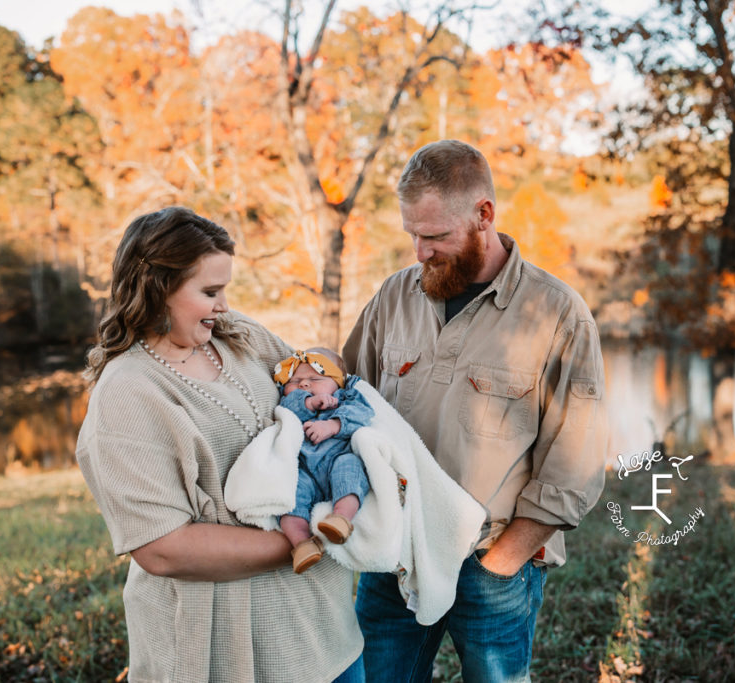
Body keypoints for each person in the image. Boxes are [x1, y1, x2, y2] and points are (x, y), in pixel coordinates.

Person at [342, 140, 608, 682]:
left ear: (484, 215)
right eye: (412, 235)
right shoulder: (394, 297)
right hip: (395, 554)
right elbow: (350, 400)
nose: (420, 252)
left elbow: (575, 460)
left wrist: (505, 560)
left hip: (491, 564)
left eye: (435, 236)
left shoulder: (557, 313)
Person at [75, 207, 363, 683]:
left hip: (322, 631)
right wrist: (300, 537)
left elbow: (323, 393)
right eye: (209, 292)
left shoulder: (240, 338)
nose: (224, 305)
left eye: (224, 289)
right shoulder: (128, 392)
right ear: (158, 287)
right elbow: (162, 548)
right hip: (222, 647)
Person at [271, 348, 374, 573]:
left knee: (350, 469)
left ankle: (340, 519)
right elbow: (286, 409)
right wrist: (309, 404)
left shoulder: (346, 396)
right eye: (295, 380)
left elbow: (363, 415)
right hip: (304, 469)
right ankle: (301, 543)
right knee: (290, 496)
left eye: (315, 379)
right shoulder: (294, 401)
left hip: (337, 458)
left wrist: (333, 425)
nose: (304, 384)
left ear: (338, 382)